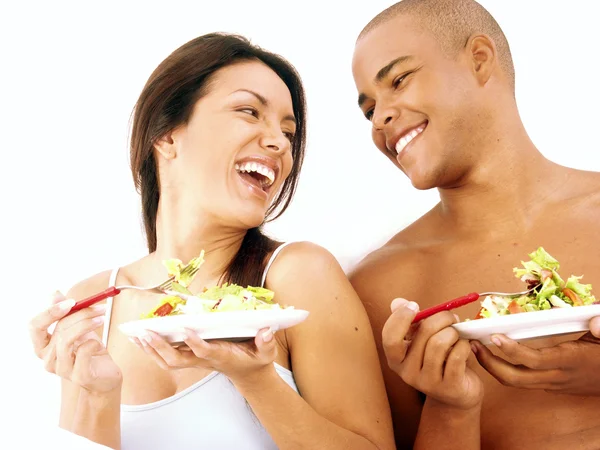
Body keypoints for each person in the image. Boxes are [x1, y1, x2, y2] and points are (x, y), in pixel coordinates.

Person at [28, 33, 396, 450]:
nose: (279, 143)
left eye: (288, 132)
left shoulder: (298, 276)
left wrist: (256, 381)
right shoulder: (95, 306)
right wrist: (97, 397)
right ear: (167, 136)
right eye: (249, 111)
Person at [349, 0, 600, 449]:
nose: (380, 117)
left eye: (399, 80)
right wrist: (452, 407)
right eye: (369, 109)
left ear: (479, 60)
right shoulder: (381, 289)